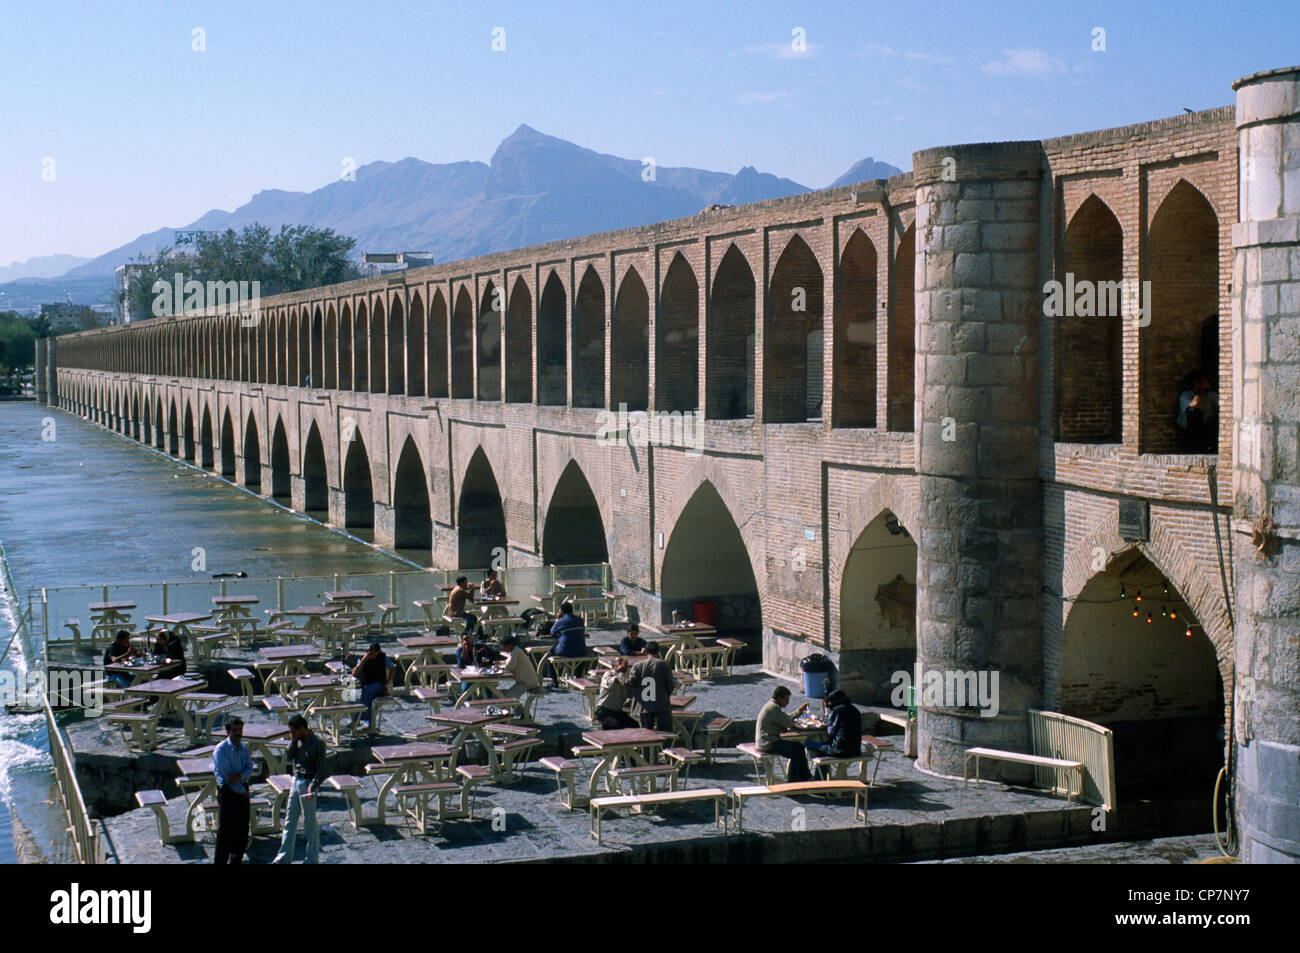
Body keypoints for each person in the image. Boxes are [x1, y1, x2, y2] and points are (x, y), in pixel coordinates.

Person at [273, 715, 328, 864]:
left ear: (302, 729)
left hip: (308, 783)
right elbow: (289, 756)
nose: (291, 735)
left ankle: (311, 859)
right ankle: (283, 858)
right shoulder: (298, 742)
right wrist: (293, 742)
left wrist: (312, 787)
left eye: (293, 732)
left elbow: (322, 770)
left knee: (309, 823)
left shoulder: (317, 744)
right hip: (296, 780)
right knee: (290, 820)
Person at [212, 717, 254, 864]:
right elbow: (228, 778)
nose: (238, 733)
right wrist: (242, 790)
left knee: (242, 831)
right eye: (234, 730)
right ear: (228, 731)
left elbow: (250, 768)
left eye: (240, 730)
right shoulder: (221, 750)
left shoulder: (243, 748)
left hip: (242, 789)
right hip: (229, 793)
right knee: (225, 832)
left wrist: (240, 776)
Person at [756, 686, 811, 783]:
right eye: (786, 700)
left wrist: (799, 711)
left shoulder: (771, 705)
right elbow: (788, 722)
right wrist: (799, 714)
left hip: (765, 741)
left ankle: (804, 777)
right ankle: (794, 781)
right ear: (779, 698)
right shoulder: (774, 708)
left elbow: (785, 718)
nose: (787, 703)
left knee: (798, 748)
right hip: (768, 743)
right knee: (797, 749)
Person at [805, 689, 863, 776]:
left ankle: (819, 777)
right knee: (823, 747)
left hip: (840, 749)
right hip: (855, 749)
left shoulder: (838, 711)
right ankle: (822, 776)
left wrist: (828, 725)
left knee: (808, 743)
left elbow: (830, 732)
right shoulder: (855, 709)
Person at [629, 643, 676, 732]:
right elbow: (670, 685)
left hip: (644, 704)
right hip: (661, 703)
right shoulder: (664, 665)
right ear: (658, 652)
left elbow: (632, 683)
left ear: (645, 651)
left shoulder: (637, 665)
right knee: (665, 731)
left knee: (645, 733)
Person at [540, 602, 587, 687]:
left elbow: (552, 632)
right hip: (581, 651)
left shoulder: (561, 621)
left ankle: (554, 681)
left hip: (565, 651)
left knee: (549, 654)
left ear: (561, 611)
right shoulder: (580, 620)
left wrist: (557, 619)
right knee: (580, 651)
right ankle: (579, 677)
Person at [1175, 367, 1219, 453]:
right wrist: (1200, 389)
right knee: (1194, 412)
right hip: (1190, 430)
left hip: (1207, 428)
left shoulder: (1212, 395)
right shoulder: (1185, 396)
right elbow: (1195, 405)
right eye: (1202, 380)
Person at [351, 642, 394, 729]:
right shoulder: (364, 658)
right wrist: (363, 660)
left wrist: (387, 684)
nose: (374, 655)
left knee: (366, 691)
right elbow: (354, 673)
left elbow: (392, 669)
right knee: (367, 694)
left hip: (379, 684)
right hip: (368, 685)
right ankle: (367, 722)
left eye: (376, 653)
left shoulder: (383, 658)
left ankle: (358, 718)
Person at [594, 656, 637, 730]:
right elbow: (610, 682)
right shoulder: (608, 674)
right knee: (616, 726)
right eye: (619, 663)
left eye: (623, 664)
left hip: (617, 712)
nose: (622, 666)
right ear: (613, 666)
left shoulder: (625, 678)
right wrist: (619, 674)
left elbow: (630, 693)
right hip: (605, 711)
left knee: (635, 725)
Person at [498, 634, 540, 699]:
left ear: (511, 645)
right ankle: (518, 709)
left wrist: (499, 667)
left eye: (505, 647)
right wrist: (500, 663)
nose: (504, 649)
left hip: (527, 682)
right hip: (525, 681)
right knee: (508, 695)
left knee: (509, 697)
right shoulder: (515, 651)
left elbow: (510, 667)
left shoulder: (516, 652)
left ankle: (519, 709)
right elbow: (508, 662)